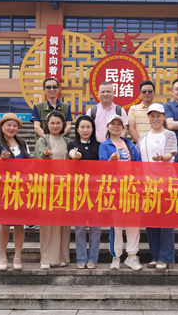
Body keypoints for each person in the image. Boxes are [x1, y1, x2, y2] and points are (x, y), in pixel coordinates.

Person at [136, 103, 178, 272]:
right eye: (152, 116)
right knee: (151, 222)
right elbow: (137, 159)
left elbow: (170, 154)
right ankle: (156, 255)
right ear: (148, 118)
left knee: (166, 222)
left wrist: (163, 158)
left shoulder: (169, 134)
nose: (155, 119)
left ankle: (165, 258)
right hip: (147, 185)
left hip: (166, 184)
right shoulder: (143, 137)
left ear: (163, 117)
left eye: (158, 115)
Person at [98, 114, 142, 271]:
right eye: (112, 124)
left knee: (133, 223)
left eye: (119, 124)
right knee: (116, 224)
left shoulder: (129, 144)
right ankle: (116, 256)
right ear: (107, 127)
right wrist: (110, 161)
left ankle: (132, 256)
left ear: (123, 127)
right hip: (114, 190)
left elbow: (138, 165)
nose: (116, 126)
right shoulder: (105, 145)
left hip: (131, 189)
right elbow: (101, 168)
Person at [0, 113, 30, 271]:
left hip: (22, 189)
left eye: (14, 125)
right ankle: (3, 255)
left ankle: (18, 256)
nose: (11, 128)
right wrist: (1, 160)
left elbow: (29, 164)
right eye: (8, 125)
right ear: (1, 126)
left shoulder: (23, 144)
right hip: (4, 190)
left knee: (20, 224)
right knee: (4, 224)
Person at [35, 111, 71, 269]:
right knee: (48, 223)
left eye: (58, 123)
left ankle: (62, 256)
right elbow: (38, 157)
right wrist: (45, 154)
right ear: (47, 125)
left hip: (65, 187)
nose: (55, 126)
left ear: (63, 124)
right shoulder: (43, 140)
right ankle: (47, 258)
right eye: (52, 123)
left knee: (64, 223)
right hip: (48, 187)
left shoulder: (67, 140)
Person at [67, 115, 102, 269]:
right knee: (79, 227)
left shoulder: (99, 146)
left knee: (96, 228)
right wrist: (75, 156)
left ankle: (92, 259)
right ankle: (81, 258)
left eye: (88, 127)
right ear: (77, 129)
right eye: (82, 127)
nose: (85, 130)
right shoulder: (72, 145)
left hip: (96, 192)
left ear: (93, 129)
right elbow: (71, 154)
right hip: (78, 192)